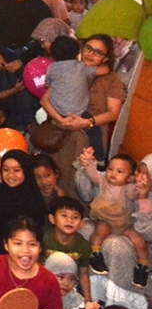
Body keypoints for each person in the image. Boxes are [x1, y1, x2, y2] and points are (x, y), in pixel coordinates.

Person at [42, 34, 124, 197]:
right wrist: (60, 120)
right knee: (54, 178)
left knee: (79, 185)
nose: (90, 54)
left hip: (89, 139)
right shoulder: (69, 70)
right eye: (88, 48)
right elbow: (45, 100)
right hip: (60, 134)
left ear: (106, 58)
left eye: (97, 52)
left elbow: (114, 113)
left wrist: (86, 122)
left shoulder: (112, 79)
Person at [0, 0, 51, 131]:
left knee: (24, 102)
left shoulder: (41, 10)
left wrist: (21, 61)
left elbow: (43, 41)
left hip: (28, 63)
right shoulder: (0, 5)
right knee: (0, 103)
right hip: (0, 59)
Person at [80, 150, 148, 286]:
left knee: (140, 242)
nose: (113, 173)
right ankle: (95, 254)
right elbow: (93, 174)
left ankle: (143, 267)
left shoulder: (128, 188)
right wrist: (89, 162)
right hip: (105, 220)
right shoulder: (103, 182)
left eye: (119, 171)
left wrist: (142, 187)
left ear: (130, 178)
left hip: (124, 224)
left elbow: (137, 193)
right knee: (99, 232)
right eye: (110, 169)